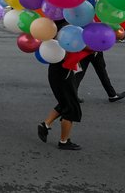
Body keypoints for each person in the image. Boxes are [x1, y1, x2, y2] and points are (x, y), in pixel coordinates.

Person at [37, 20, 85, 151]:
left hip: (57, 71)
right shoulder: (66, 30)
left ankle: (45, 125)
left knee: (65, 102)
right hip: (63, 73)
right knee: (71, 107)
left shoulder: (55, 28)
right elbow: (68, 53)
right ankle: (64, 141)